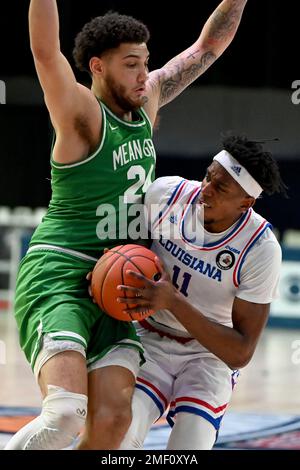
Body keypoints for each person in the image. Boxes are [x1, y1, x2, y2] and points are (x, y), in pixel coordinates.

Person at [5, 0, 248, 450]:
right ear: (98, 67)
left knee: (115, 420)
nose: (144, 75)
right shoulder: (81, 114)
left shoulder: (147, 100)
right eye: (131, 64)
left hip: (116, 283)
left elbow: (206, 48)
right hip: (60, 271)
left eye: (146, 63)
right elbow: (44, 52)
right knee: (63, 415)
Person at [117, 134, 285, 450]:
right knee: (118, 435)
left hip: (208, 355)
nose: (205, 189)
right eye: (208, 175)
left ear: (245, 203)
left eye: (220, 188)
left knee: (189, 447)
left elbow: (240, 352)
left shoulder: (260, 249)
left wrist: (173, 301)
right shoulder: (166, 194)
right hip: (149, 337)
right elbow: (124, 254)